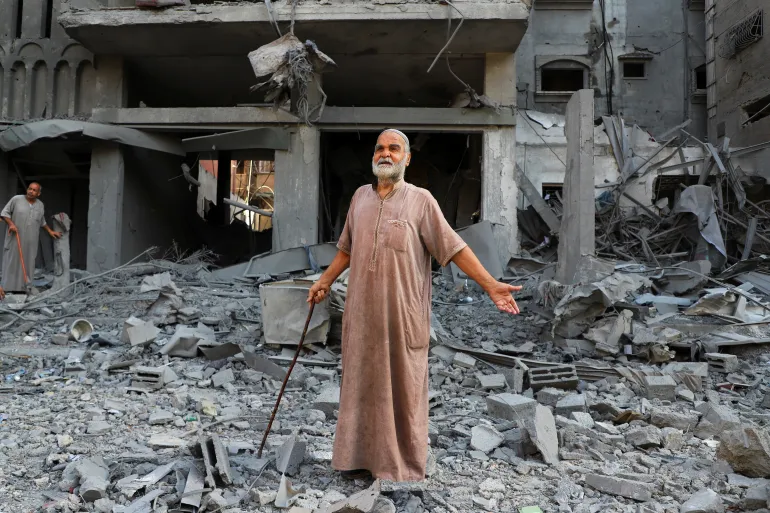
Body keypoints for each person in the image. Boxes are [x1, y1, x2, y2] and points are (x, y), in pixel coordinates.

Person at [307, 129, 522, 482]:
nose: (385, 154)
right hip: (361, 317)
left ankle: (401, 467)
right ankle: (355, 459)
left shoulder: (421, 201)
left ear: (407, 158)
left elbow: (453, 248)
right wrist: (325, 280)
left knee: (403, 389)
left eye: (394, 149)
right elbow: (347, 249)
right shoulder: (360, 198)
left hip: (402, 317)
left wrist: (491, 285)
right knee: (360, 385)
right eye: (379, 148)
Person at [1, 183, 61, 292]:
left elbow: (42, 221)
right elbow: (5, 213)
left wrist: (50, 231)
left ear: (38, 193)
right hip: (15, 237)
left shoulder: (40, 205)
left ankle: (25, 286)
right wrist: (11, 224)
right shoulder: (16, 199)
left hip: (31, 240)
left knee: (28, 261)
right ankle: (7, 288)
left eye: (34, 190)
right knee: (12, 261)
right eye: (30, 189)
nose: (31, 191)